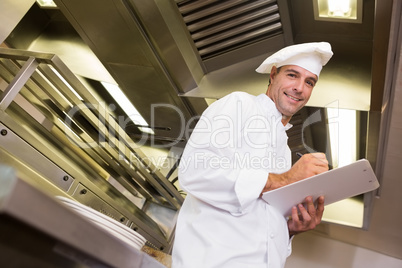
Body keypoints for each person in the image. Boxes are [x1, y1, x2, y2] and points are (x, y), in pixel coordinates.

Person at [172, 42, 333, 268]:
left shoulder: (284, 151)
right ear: (274, 74)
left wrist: (290, 229)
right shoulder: (240, 105)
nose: (300, 88)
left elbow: (260, 220)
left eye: (309, 82)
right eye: (292, 75)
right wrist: (286, 179)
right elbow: (195, 171)